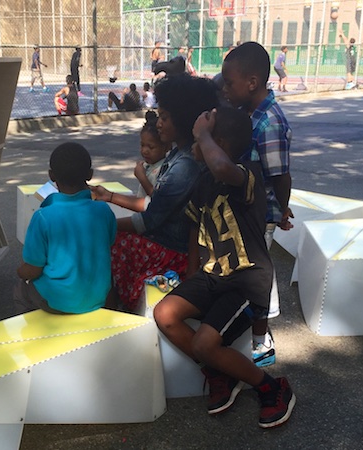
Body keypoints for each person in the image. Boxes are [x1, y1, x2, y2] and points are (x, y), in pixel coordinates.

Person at [153, 105, 296, 428]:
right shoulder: (204, 181)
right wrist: (191, 273)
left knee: (205, 343)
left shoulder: (245, 175)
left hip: (246, 280)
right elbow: (194, 228)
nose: (193, 144)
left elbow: (221, 166)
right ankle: (220, 372)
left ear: (219, 143)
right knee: (164, 314)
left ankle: (271, 387)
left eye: (200, 138)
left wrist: (202, 134)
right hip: (211, 276)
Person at [90, 74, 219, 312]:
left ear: (183, 120)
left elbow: (149, 220)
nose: (159, 123)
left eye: (165, 118)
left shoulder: (185, 165)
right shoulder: (178, 155)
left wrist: (106, 224)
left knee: (103, 242)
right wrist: (109, 196)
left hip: (169, 249)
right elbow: (154, 204)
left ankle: (109, 313)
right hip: (164, 239)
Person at [221, 42, 294, 368]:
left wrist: (282, 209)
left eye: (230, 82)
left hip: (260, 216)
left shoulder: (270, 122)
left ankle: (261, 340)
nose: (225, 88)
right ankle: (253, 330)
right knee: (254, 273)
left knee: (258, 277)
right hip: (245, 212)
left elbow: (280, 175)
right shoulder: (248, 113)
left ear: (252, 82)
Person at [14, 142, 117, 315]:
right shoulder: (103, 210)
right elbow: (110, 242)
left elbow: (32, 269)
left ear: (51, 175)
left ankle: (32, 332)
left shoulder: (43, 217)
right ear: (90, 175)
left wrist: (20, 271)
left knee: (20, 291)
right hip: (99, 298)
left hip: (57, 301)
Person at [134, 110, 169, 198]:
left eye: (151, 147)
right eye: (142, 145)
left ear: (165, 147)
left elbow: (156, 198)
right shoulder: (148, 165)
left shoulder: (163, 170)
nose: (145, 151)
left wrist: (142, 178)